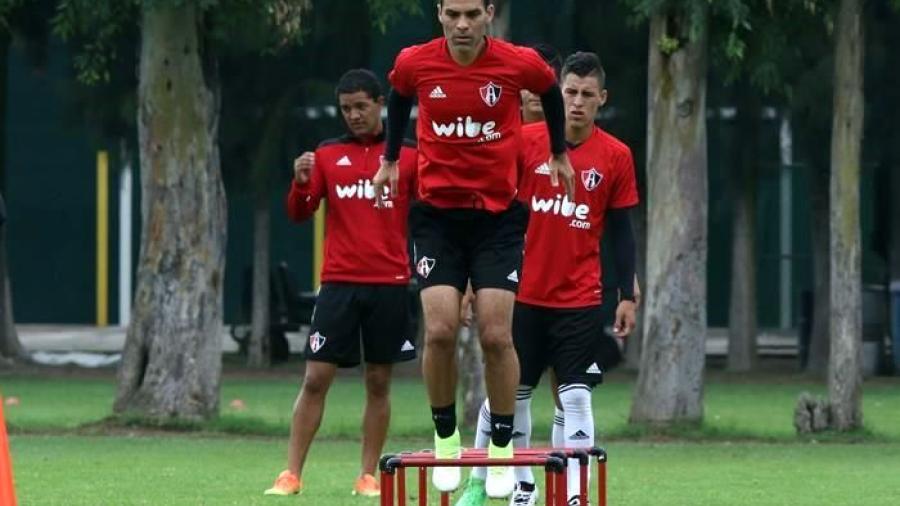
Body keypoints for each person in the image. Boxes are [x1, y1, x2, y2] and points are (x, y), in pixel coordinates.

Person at [373, 0, 575, 498]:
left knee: (494, 334)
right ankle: (446, 438)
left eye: (472, 14)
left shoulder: (515, 62)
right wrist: (391, 159)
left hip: (497, 219)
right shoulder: (416, 62)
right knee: (439, 330)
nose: (462, 25)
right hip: (437, 215)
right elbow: (398, 97)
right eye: (452, 14)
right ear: (439, 13)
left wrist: (557, 152)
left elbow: (549, 89)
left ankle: (501, 449)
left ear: (489, 13)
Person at [456, 51, 639, 506]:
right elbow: (491, 214)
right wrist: (471, 282)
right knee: (513, 396)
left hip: (578, 298)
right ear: (557, 94)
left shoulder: (616, 156)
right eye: (569, 92)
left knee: (575, 398)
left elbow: (621, 230)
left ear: (602, 99)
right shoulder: (524, 141)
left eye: (586, 95)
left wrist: (626, 293)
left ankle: (574, 496)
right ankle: (521, 486)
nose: (577, 102)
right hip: (519, 294)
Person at [264, 69, 418, 498]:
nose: (353, 115)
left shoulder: (409, 156)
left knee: (378, 381)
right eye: (346, 108)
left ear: (381, 104)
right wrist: (298, 184)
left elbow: (428, 216)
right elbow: (300, 212)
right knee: (315, 378)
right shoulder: (328, 154)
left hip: (390, 284)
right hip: (338, 284)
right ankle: (290, 474)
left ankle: (367, 475)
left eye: (361, 106)